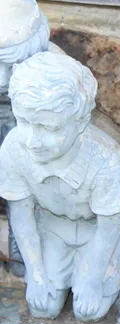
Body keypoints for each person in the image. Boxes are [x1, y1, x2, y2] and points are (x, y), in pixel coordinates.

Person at [0, 52, 120, 322]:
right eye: (24, 121)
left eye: (48, 128)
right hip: (53, 226)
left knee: (89, 312)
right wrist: (37, 274)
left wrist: (93, 280)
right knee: (44, 308)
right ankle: (61, 273)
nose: (32, 140)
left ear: (80, 122)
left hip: (100, 231)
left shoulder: (106, 161)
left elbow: (109, 228)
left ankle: (99, 275)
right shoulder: (15, 148)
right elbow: (22, 216)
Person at [0, 0, 53, 278]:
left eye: (9, 64)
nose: (1, 78)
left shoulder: (51, 75)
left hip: (23, 125)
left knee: (28, 185)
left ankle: (23, 256)